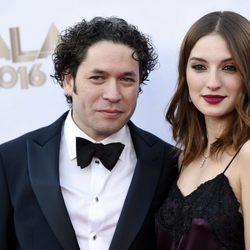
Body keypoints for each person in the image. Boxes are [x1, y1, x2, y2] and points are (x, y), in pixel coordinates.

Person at [0, 17, 179, 250]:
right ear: (68, 80)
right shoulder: (11, 160)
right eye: (98, 78)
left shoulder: (171, 163)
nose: (113, 94)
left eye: (126, 79)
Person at [155, 11, 250, 250]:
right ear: (185, 76)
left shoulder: (248, 155)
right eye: (199, 66)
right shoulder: (186, 158)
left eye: (229, 67)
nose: (213, 82)